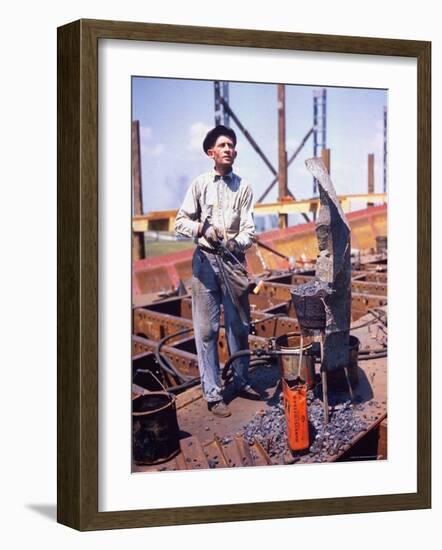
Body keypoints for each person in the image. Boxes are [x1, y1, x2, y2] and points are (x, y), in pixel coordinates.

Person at [174, 125, 260, 417]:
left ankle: (241, 380)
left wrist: (237, 241)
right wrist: (203, 228)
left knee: (238, 328)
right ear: (211, 153)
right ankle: (213, 393)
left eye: (232, 145)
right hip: (205, 265)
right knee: (207, 331)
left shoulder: (244, 188)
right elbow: (180, 222)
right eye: (222, 145)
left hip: (233, 264)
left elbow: (250, 229)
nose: (228, 149)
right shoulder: (200, 185)